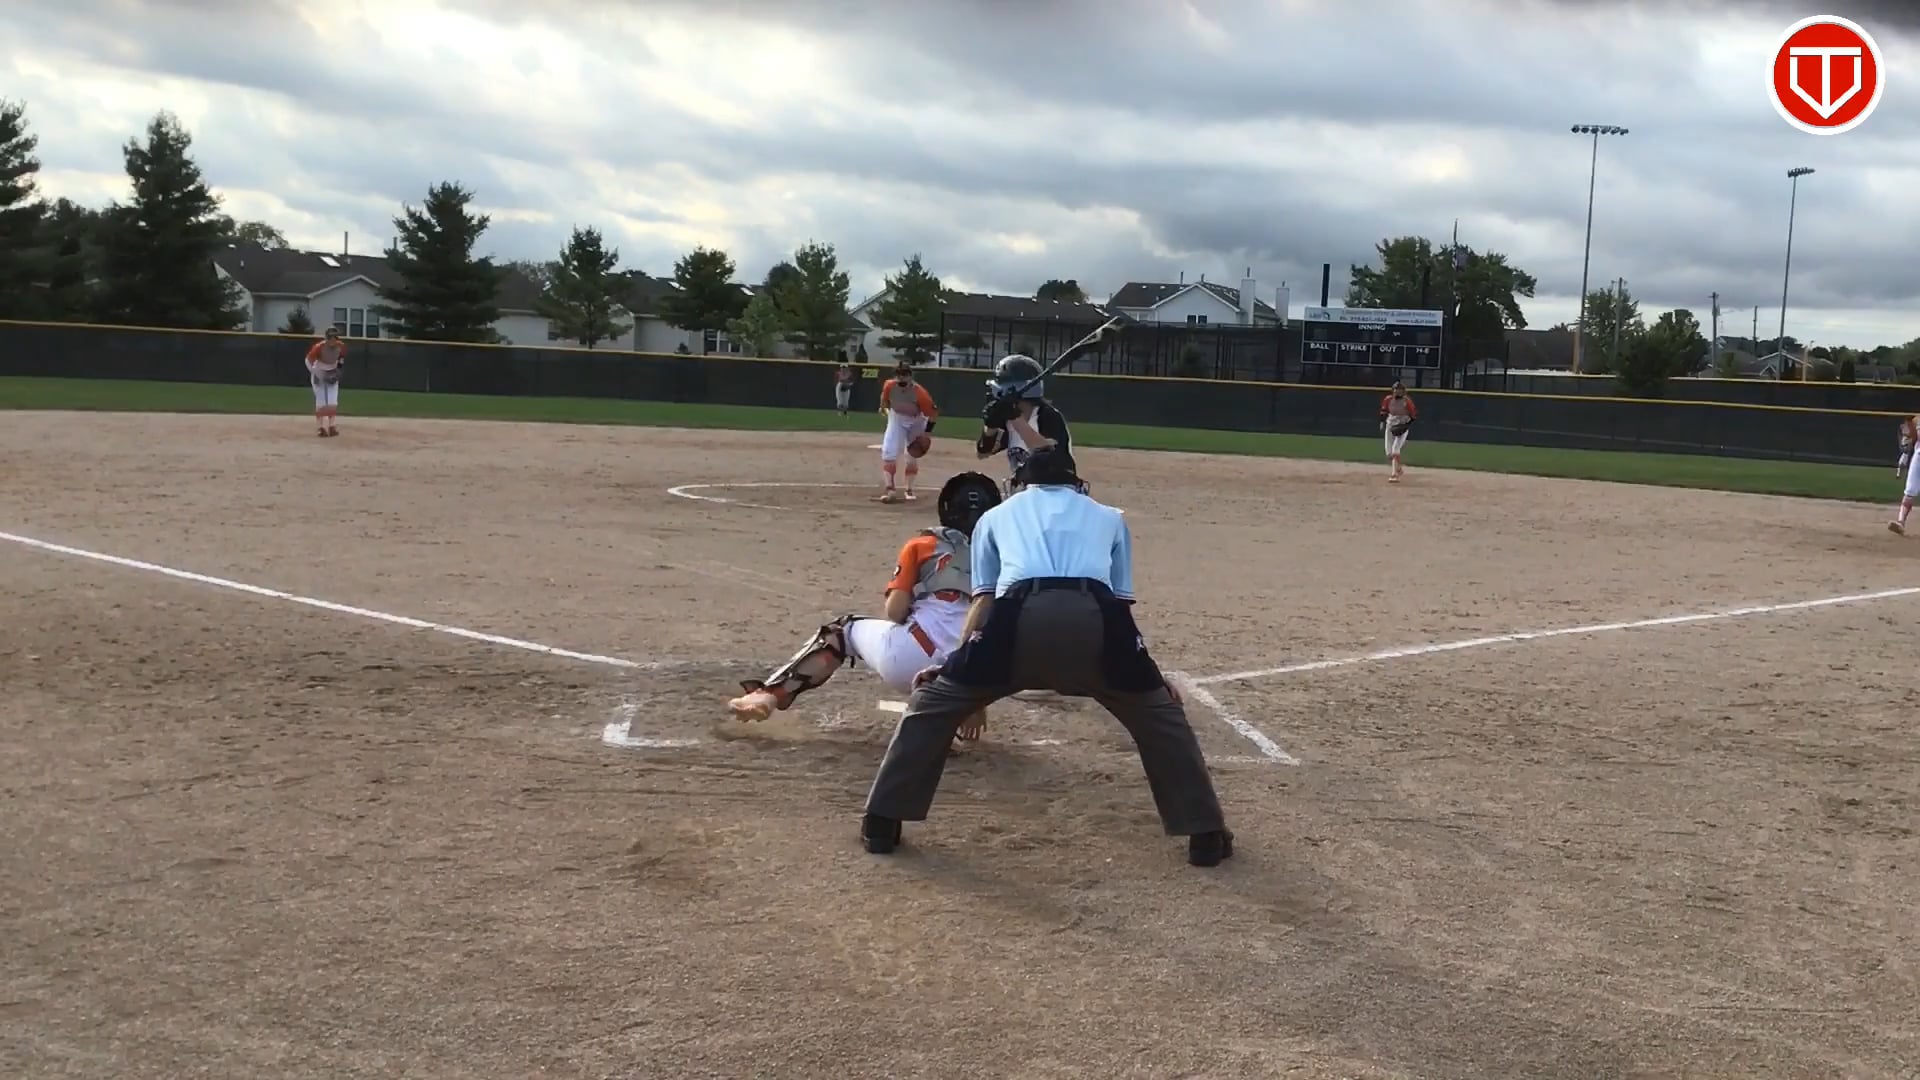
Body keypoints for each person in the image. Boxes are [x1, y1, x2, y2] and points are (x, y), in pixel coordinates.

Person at [858, 448, 1235, 867]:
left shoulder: (994, 517)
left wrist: (954, 666)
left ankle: (881, 823)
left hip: (1016, 618)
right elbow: (1120, 607)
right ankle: (1205, 834)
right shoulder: (1110, 517)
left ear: (1022, 483)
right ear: (1076, 484)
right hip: (1097, 619)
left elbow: (983, 602)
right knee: (1161, 718)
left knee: (931, 706)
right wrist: (1150, 677)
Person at [727, 472, 1002, 739]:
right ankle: (957, 702)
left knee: (843, 631)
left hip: (913, 656)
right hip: (980, 669)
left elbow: (895, 612)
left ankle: (770, 694)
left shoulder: (922, 545)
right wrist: (977, 693)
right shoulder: (1005, 554)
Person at [977, 353, 1073, 492]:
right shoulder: (1008, 421)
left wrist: (1014, 417)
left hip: (1057, 493)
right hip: (1027, 495)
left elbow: (1048, 454)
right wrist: (990, 427)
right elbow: (983, 453)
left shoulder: (1048, 416)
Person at [876, 361, 939, 503]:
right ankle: (890, 489)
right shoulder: (889, 385)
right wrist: (883, 407)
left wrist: (926, 433)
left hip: (916, 421)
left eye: (904, 375)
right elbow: (884, 398)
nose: (901, 378)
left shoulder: (919, 393)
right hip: (897, 418)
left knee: (911, 456)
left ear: (910, 376)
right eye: (898, 375)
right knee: (889, 451)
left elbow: (933, 414)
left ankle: (909, 489)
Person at [304, 328, 346, 437]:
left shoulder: (341, 346)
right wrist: (316, 373)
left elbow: (341, 359)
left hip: (332, 372)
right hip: (319, 372)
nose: (332, 339)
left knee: (333, 401)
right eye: (330, 337)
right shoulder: (319, 347)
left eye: (334, 337)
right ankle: (321, 428)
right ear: (326, 338)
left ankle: (332, 426)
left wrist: (338, 370)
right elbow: (308, 360)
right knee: (321, 401)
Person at [1379, 381, 1417, 482]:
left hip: (1402, 425)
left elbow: (1413, 415)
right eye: (1396, 389)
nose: (1397, 391)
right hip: (1390, 425)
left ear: (1403, 391)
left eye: (1400, 390)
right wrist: (1382, 422)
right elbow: (1383, 411)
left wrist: (1405, 426)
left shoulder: (1407, 401)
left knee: (1395, 450)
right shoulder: (1388, 399)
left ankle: (1394, 474)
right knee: (1389, 454)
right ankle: (1398, 468)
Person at [1890, 415, 1919, 535]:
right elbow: (1913, 438)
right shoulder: (1917, 420)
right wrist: (1906, 453)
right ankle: (1901, 522)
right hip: (1919, 458)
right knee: (1909, 490)